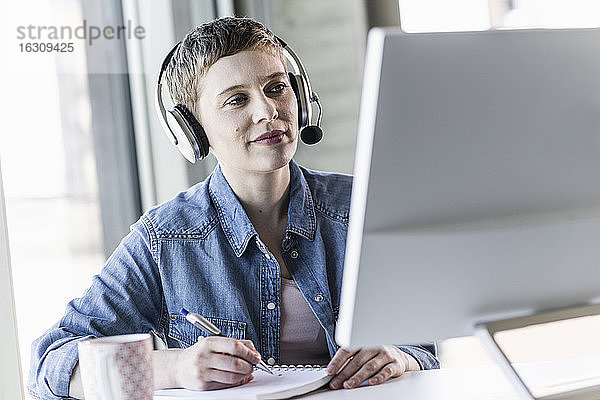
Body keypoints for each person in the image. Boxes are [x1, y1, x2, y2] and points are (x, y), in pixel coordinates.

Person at [28, 16, 439, 399]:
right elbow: (49, 365)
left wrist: (401, 356)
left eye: (276, 87)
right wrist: (174, 367)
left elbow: (422, 346)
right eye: (235, 100)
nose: (267, 111)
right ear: (193, 130)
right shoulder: (165, 238)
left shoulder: (363, 208)